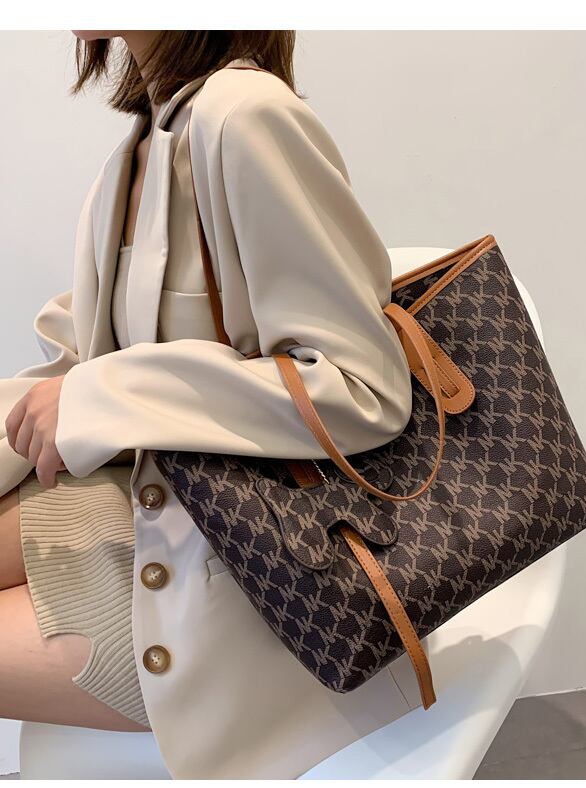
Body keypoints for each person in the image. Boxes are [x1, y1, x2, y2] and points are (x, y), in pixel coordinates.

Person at [0, 30, 419, 779]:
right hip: (150, 512)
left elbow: (364, 388)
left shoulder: (247, 117)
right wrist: (86, 395)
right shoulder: (135, 153)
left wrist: (107, 396)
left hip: (250, 573)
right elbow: (75, 366)